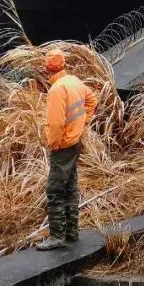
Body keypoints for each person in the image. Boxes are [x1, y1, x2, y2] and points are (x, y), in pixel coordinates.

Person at [36, 48, 97, 251]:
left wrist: (54, 143)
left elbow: (54, 124)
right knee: (70, 188)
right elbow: (92, 101)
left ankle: (57, 236)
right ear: (63, 64)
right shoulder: (74, 81)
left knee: (54, 190)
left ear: (47, 69)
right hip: (74, 142)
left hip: (62, 146)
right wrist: (81, 124)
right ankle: (72, 232)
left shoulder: (56, 90)